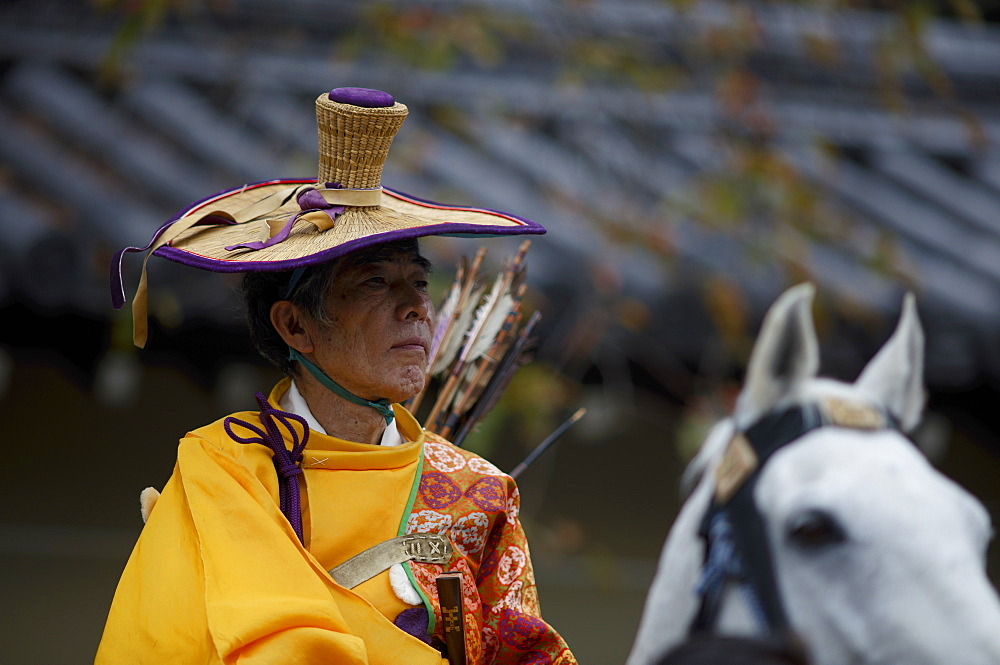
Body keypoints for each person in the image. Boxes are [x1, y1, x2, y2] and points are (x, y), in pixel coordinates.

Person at [98, 87, 575, 665]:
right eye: (375, 283)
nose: (416, 309)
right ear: (295, 325)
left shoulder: (476, 491)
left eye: (419, 283)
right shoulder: (229, 471)